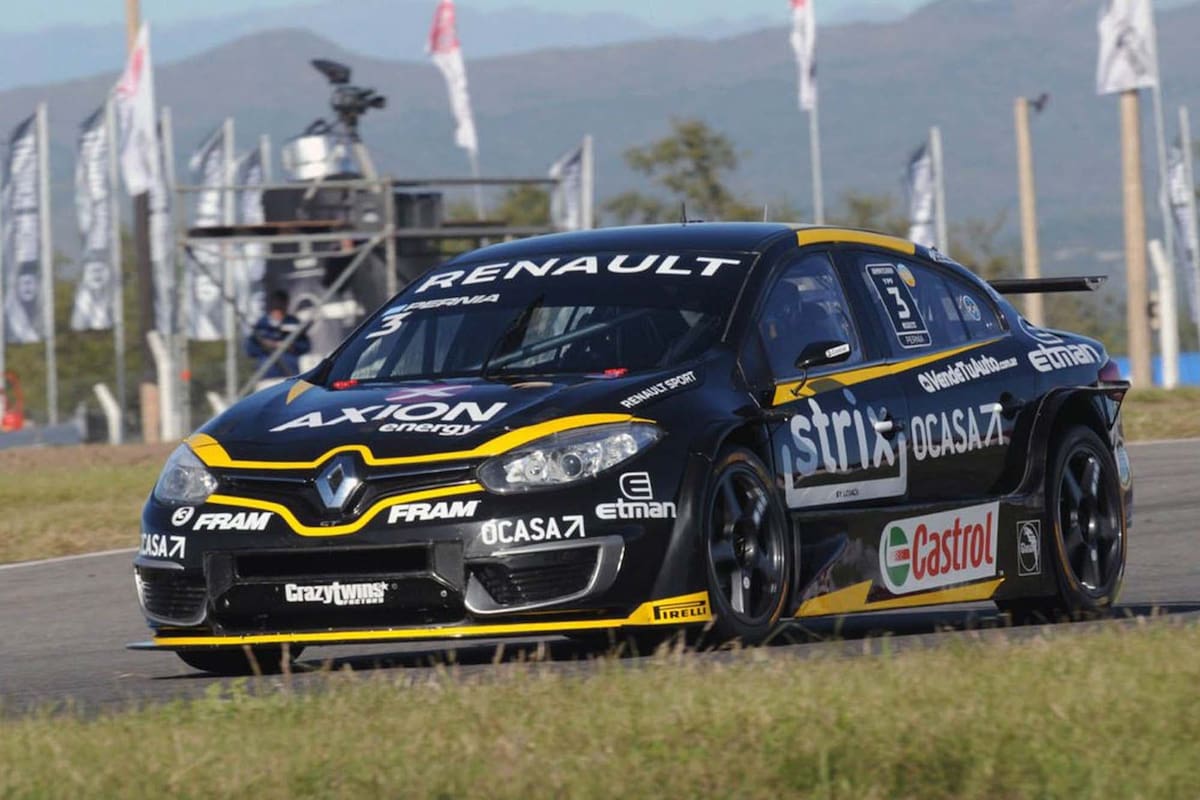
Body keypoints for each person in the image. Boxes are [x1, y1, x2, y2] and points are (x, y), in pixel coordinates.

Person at [246, 290, 311, 378]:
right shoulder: (261, 325)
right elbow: (250, 350)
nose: (278, 315)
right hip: (267, 374)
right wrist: (269, 345)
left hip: (291, 373)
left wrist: (291, 347)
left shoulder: (293, 322)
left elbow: (306, 346)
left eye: (281, 311)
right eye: (276, 311)